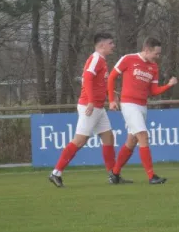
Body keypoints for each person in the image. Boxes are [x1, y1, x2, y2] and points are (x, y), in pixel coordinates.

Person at [49, 32, 132, 187]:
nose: (113, 46)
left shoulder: (101, 60)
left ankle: (113, 175)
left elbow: (98, 83)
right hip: (90, 107)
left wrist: (110, 94)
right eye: (110, 43)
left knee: (108, 138)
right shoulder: (96, 59)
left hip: (98, 108)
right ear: (101, 45)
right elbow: (87, 78)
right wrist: (91, 102)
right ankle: (56, 173)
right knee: (80, 140)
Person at [107, 37, 178, 185]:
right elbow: (111, 77)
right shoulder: (128, 59)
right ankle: (151, 176)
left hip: (142, 106)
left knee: (131, 141)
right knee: (143, 136)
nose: (158, 57)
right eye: (156, 54)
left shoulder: (153, 67)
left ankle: (114, 174)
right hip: (129, 104)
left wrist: (168, 85)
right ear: (147, 50)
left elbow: (153, 91)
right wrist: (112, 99)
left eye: (159, 54)